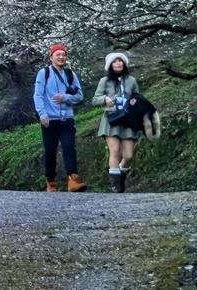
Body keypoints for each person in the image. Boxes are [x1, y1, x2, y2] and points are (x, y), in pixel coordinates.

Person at [33, 43, 87, 192]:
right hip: (50, 119)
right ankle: (50, 181)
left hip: (67, 118)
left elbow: (79, 96)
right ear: (51, 57)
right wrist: (42, 113)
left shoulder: (71, 74)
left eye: (63, 54)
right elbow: (37, 95)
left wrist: (65, 97)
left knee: (69, 147)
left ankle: (73, 180)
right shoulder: (44, 73)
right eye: (58, 54)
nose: (61, 57)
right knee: (50, 151)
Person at [92, 51, 142, 193]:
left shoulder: (132, 80)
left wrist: (134, 102)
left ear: (124, 63)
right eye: (115, 61)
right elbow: (95, 99)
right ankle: (116, 185)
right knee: (114, 151)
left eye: (120, 60)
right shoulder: (104, 81)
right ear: (110, 65)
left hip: (128, 120)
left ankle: (119, 175)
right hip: (111, 118)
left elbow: (138, 97)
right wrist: (104, 100)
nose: (118, 63)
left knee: (128, 155)